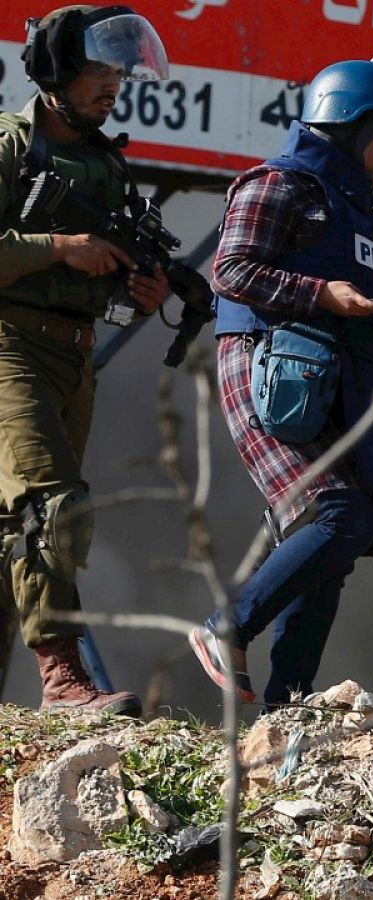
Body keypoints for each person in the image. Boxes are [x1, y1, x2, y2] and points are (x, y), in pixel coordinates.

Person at [187, 57, 373, 708]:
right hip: (272, 375)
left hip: (340, 389)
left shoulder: (366, 223)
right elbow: (230, 270)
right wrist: (320, 293)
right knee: (333, 515)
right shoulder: (280, 185)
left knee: (338, 542)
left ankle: (286, 712)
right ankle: (224, 629)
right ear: (343, 124)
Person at [0, 4, 174, 716]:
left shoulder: (104, 164)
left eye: (119, 73)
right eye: (99, 70)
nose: (113, 85)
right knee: (51, 506)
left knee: (14, 530)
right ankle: (64, 684)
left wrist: (142, 291)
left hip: (74, 353)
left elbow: (111, 285)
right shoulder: (9, 146)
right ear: (58, 70)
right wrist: (59, 248)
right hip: (8, 344)